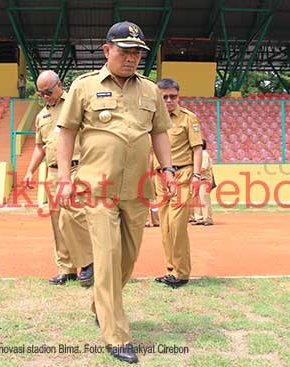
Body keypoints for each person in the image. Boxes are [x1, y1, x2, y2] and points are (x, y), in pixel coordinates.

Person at [56, 21, 175, 364]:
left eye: (137, 52)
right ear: (107, 50)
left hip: (137, 189)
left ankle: (99, 303)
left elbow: (160, 134)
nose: (132, 58)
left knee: (127, 259)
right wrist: (64, 178)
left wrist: (167, 169)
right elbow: (65, 133)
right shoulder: (84, 87)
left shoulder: (151, 90)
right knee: (107, 257)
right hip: (98, 187)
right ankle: (116, 334)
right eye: (125, 51)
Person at [23, 70, 93, 287]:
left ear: (59, 85)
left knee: (76, 219)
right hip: (53, 172)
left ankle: (89, 264)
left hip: (76, 169)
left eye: (48, 92)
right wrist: (29, 171)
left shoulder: (74, 103)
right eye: (41, 93)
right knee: (58, 222)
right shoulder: (41, 116)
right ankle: (66, 269)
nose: (45, 97)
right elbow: (39, 147)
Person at [154, 78, 203, 289]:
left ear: (178, 96)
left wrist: (197, 176)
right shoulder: (152, 120)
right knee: (164, 226)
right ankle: (170, 270)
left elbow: (197, 148)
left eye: (172, 96)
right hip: (160, 178)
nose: (168, 100)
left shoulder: (188, 119)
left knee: (177, 226)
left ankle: (182, 273)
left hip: (182, 174)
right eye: (164, 97)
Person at [193, 139, 214, 226]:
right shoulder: (200, 155)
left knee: (204, 199)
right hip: (199, 179)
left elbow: (203, 168)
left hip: (204, 179)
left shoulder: (204, 154)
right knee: (197, 198)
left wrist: (194, 172)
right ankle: (199, 218)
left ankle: (208, 218)